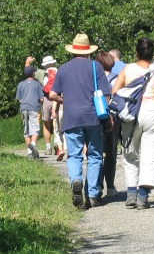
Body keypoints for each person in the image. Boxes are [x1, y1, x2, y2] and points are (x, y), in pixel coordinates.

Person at [48, 33, 112, 209]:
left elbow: (52, 94)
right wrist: (107, 116)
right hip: (93, 117)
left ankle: (76, 181)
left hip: (72, 118)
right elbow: (106, 95)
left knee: (74, 154)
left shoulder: (63, 69)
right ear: (88, 51)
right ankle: (92, 194)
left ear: (73, 51)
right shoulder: (96, 67)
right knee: (95, 155)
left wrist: (64, 101)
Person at [112, 37, 154, 210]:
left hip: (131, 113)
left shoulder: (127, 69)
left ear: (136, 52)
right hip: (153, 111)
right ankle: (143, 196)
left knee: (130, 152)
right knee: (150, 154)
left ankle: (131, 192)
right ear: (152, 54)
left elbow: (115, 92)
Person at [95, 51, 120, 197]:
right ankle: (110, 186)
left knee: (97, 153)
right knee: (111, 153)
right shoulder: (116, 79)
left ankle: (97, 186)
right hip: (113, 119)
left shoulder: (95, 78)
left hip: (97, 118)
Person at [15, 65, 45, 159]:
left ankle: (29, 151)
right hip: (34, 108)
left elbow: (19, 99)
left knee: (26, 130)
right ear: (33, 73)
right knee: (35, 129)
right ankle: (32, 145)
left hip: (23, 108)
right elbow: (41, 99)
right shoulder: (37, 84)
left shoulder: (20, 84)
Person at [40, 55, 59, 155]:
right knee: (57, 122)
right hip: (57, 96)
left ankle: (48, 147)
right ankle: (58, 145)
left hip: (47, 97)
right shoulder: (59, 71)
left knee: (46, 122)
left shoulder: (43, 74)